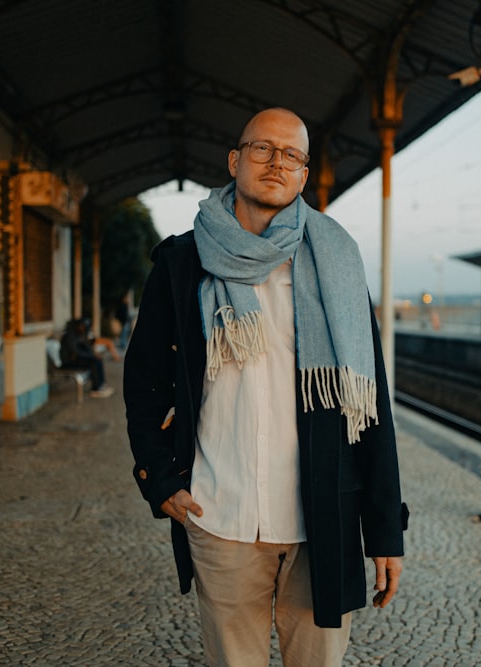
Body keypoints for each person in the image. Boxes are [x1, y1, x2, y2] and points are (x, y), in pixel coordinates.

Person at [124, 107, 407, 667]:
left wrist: (384, 532)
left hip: (320, 521)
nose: (277, 163)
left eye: (292, 155)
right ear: (235, 160)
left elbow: (369, 405)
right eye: (262, 149)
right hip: (221, 518)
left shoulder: (338, 262)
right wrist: (160, 481)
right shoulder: (182, 265)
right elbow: (143, 384)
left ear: (304, 174)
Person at [60, 318, 113, 398]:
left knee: (97, 360)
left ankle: (101, 386)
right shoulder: (70, 336)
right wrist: (91, 356)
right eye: (82, 326)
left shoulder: (78, 334)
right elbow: (75, 351)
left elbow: (84, 347)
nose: (83, 328)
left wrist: (93, 354)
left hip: (76, 359)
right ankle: (96, 389)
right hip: (69, 362)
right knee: (94, 362)